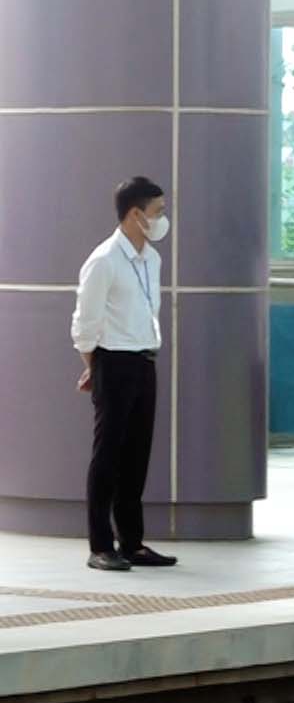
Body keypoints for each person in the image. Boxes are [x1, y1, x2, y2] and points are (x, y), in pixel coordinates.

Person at [70, 176, 178, 571]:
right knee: (108, 456)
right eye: (158, 212)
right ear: (135, 214)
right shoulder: (103, 260)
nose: (163, 219)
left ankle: (132, 542)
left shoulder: (151, 257)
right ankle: (101, 545)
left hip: (144, 359)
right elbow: (85, 323)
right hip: (113, 362)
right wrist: (94, 368)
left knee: (137, 455)